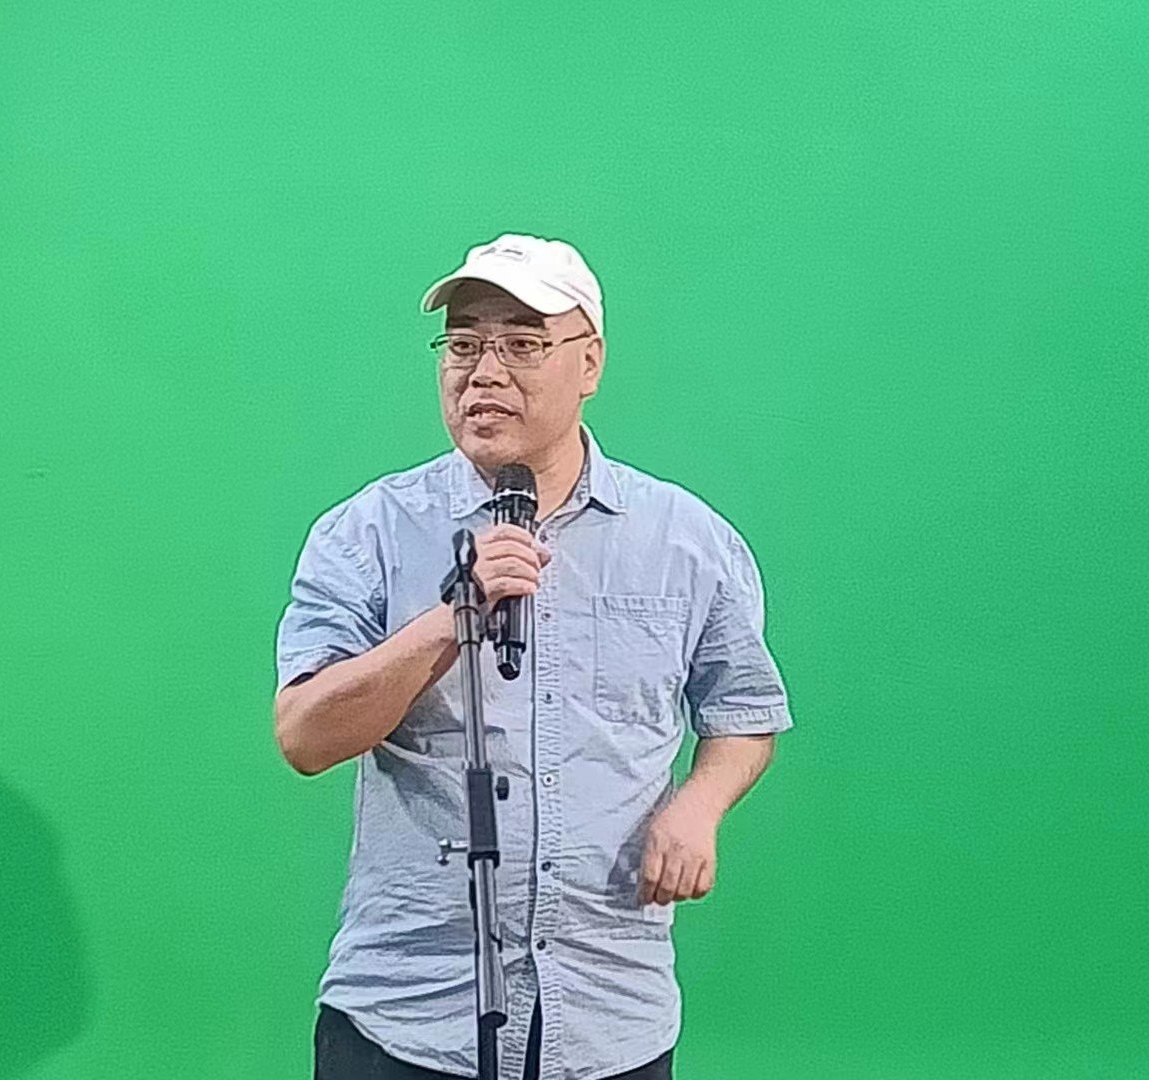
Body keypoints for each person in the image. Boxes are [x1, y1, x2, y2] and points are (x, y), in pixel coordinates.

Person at [273, 233, 793, 1080]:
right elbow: (304, 735)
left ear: (590, 362)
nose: (484, 373)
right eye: (463, 345)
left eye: (521, 345)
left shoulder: (686, 541)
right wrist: (448, 621)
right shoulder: (366, 533)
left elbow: (745, 713)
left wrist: (699, 806)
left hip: (608, 1011)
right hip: (410, 1014)